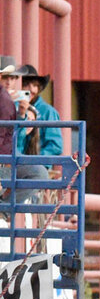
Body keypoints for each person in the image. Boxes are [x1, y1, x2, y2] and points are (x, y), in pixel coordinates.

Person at [0, 55, 48, 205]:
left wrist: (21, 116)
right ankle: (4, 208)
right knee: (39, 174)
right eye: (6, 76)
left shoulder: (13, 102)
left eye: (13, 77)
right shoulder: (6, 101)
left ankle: (4, 207)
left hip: (12, 154)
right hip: (7, 157)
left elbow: (13, 138)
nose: (9, 81)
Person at [13, 64, 62, 159]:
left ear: (39, 88)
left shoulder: (48, 111)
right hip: (11, 163)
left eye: (35, 85)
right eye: (26, 84)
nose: (31, 89)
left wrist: (35, 160)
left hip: (38, 165)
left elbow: (55, 146)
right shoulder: (10, 108)